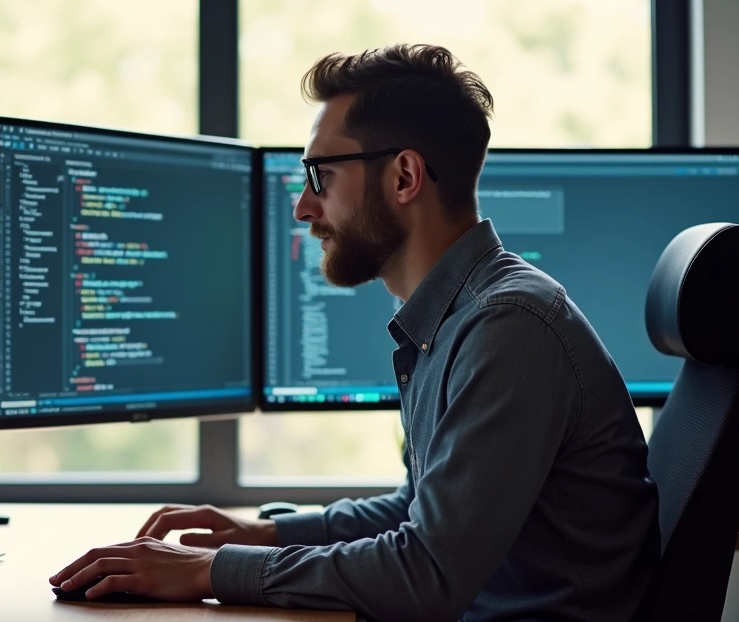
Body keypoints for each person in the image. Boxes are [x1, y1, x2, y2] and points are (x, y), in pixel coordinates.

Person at [50, 44, 658, 622]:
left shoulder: (508, 326)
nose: (303, 208)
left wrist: (209, 570)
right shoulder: (458, 318)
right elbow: (418, 513)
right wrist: (262, 534)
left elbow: (427, 575)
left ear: (403, 178)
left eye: (320, 176)